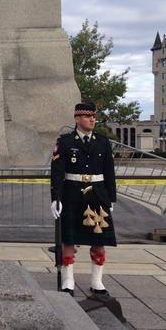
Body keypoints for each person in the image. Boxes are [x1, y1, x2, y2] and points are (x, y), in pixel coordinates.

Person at [50, 102, 117, 296]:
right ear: (77, 119)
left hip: (96, 195)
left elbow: (109, 173)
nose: (92, 120)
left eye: (94, 116)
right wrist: (56, 198)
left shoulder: (103, 142)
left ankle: (97, 281)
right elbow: (57, 173)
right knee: (69, 239)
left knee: (98, 238)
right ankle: (68, 280)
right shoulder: (65, 142)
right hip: (72, 195)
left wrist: (111, 198)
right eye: (88, 117)